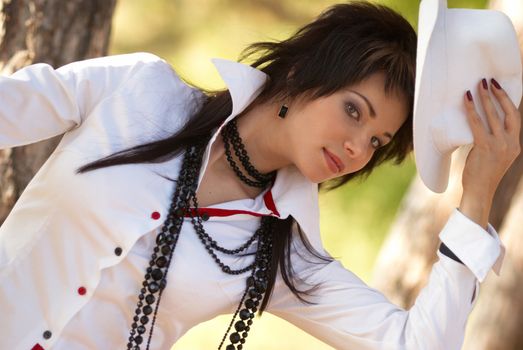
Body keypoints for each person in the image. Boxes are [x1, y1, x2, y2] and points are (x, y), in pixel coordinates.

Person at [0, 1, 517, 349]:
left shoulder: (285, 256)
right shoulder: (136, 91)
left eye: (378, 143)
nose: (358, 148)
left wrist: (476, 196)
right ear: (302, 72)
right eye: (354, 111)